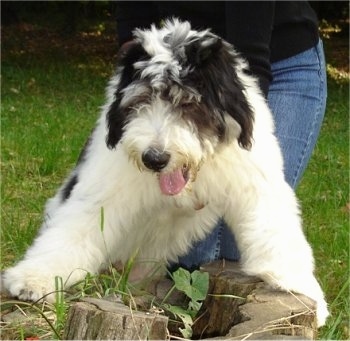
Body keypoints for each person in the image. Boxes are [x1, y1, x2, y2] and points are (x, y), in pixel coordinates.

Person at [116, 1, 327, 270]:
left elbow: (251, 61)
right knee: (189, 260)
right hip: (182, 73)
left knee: (236, 245)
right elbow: (133, 27)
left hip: (279, 65)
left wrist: (207, 155)